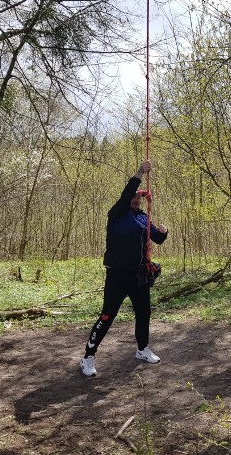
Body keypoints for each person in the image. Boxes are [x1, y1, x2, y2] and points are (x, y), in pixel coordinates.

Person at [80, 160, 168, 376]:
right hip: (117, 275)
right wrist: (140, 172)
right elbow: (127, 192)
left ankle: (142, 349)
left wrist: (163, 232)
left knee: (143, 313)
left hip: (138, 275)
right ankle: (88, 357)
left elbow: (157, 239)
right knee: (107, 316)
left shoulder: (143, 217)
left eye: (139, 197)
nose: (136, 200)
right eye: (133, 197)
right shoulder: (116, 214)